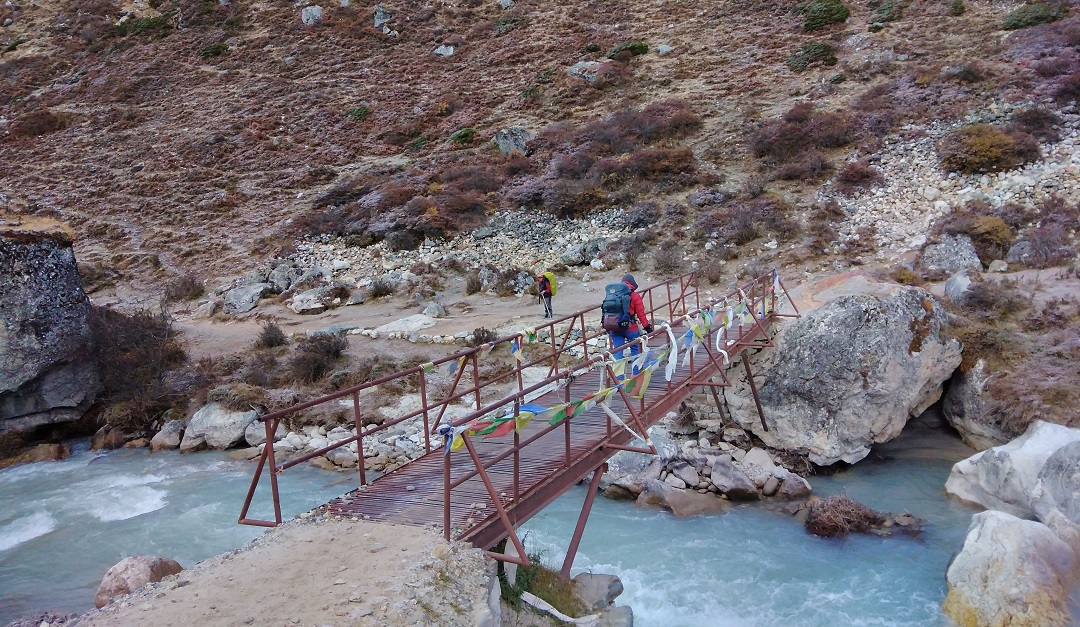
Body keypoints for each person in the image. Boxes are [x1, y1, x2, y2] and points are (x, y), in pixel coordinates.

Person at [608, 274, 653, 360]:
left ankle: (617, 374)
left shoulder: (614, 294)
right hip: (630, 328)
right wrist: (647, 327)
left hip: (614, 327)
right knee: (635, 349)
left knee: (618, 351)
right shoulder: (634, 295)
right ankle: (636, 372)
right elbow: (641, 314)